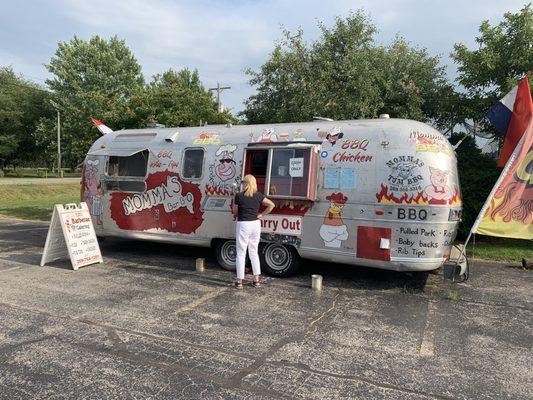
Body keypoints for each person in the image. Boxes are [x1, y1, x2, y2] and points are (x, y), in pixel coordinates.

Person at [232, 174, 275, 289]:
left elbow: (235, 212)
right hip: (256, 224)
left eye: (243, 183)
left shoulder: (239, 196)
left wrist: (233, 198)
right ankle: (256, 280)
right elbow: (272, 204)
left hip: (243, 224)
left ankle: (239, 281)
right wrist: (262, 214)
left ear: (246, 184)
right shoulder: (259, 196)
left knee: (241, 252)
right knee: (253, 252)